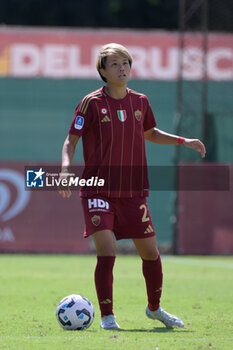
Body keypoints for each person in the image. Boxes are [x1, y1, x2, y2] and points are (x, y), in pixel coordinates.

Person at [58, 43, 206, 330]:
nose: (122, 67)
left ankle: (155, 309)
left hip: (133, 190)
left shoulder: (140, 101)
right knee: (107, 249)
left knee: (150, 253)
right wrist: (65, 168)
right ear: (102, 70)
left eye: (125, 62)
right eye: (114, 64)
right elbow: (71, 139)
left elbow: (150, 131)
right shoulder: (91, 102)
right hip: (97, 188)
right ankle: (107, 317)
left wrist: (183, 140)